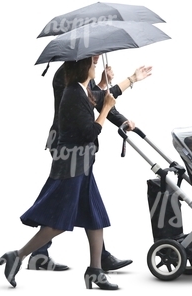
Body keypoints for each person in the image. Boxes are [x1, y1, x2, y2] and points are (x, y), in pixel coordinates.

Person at [0, 56, 152, 290]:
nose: (97, 62)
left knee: (94, 215)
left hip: (81, 161)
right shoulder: (70, 88)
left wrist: (129, 80)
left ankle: (95, 270)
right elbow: (90, 127)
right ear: (82, 65)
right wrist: (106, 102)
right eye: (93, 62)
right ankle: (18, 256)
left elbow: (98, 98)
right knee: (59, 219)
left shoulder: (80, 86)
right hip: (70, 161)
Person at [28, 55, 138, 272]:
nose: (96, 59)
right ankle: (34, 254)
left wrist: (121, 117)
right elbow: (85, 104)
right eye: (94, 56)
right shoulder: (66, 74)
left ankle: (96, 260)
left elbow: (94, 97)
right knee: (66, 200)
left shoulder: (80, 74)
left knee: (85, 201)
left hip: (78, 148)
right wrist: (127, 81)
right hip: (67, 145)